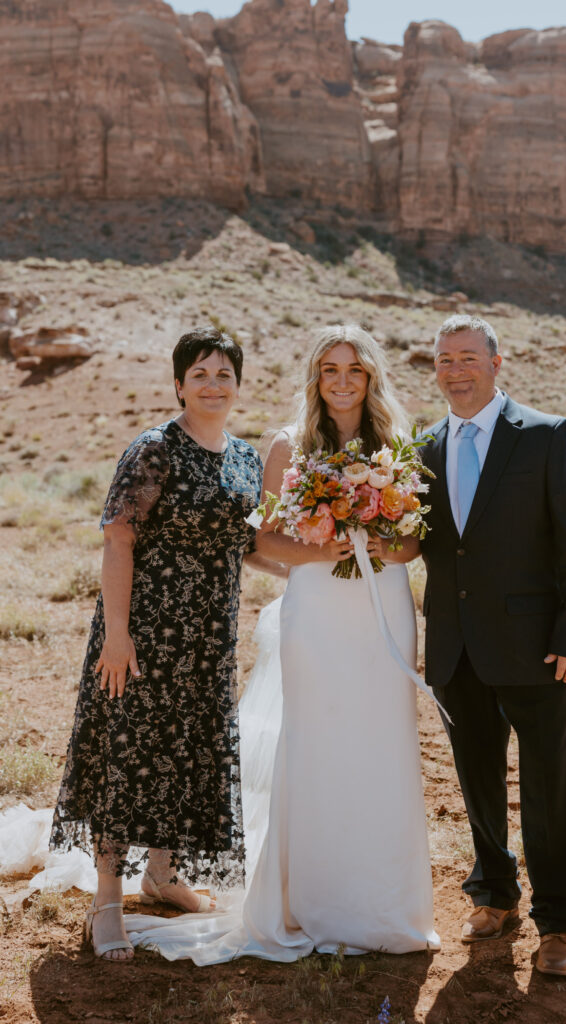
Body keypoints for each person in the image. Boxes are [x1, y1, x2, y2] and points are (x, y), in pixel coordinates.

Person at [114, 323, 439, 963]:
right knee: (315, 743)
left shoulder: (399, 446)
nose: (342, 381)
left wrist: (378, 544)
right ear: (315, 380)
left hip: (382, 611)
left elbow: (413, 542)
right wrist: (327, 547)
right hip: (317, 612)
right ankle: (309, 901)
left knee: (383, 744)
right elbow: (262, 541)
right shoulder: (290, 446)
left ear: (371, 378)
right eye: (330, 370)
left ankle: (384, 905)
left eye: (354, 370)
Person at [50, 326, 270, 961]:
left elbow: (248, 545)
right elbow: (118, 538)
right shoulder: (154, 450)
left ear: (238, 386)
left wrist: (325, 564)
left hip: (208, 636)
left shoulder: (246, 459)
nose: (212, 384)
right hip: (143, 630)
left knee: (187, 745)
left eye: (224, 373)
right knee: (131, 750)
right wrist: (115, 638)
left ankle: (163, 875)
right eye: (199, 373)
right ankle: (108, 899)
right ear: (178, 384)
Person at [419, 314, 566, 978]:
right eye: (443, 360)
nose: (454, 369)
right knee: (475, 779)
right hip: (455, 647)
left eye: (467, 357)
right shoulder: (424, 446)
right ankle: (493, 894)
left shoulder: (546, 435)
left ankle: (558, 922)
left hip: (537, 646)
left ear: (497, 364)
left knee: (549, 786)